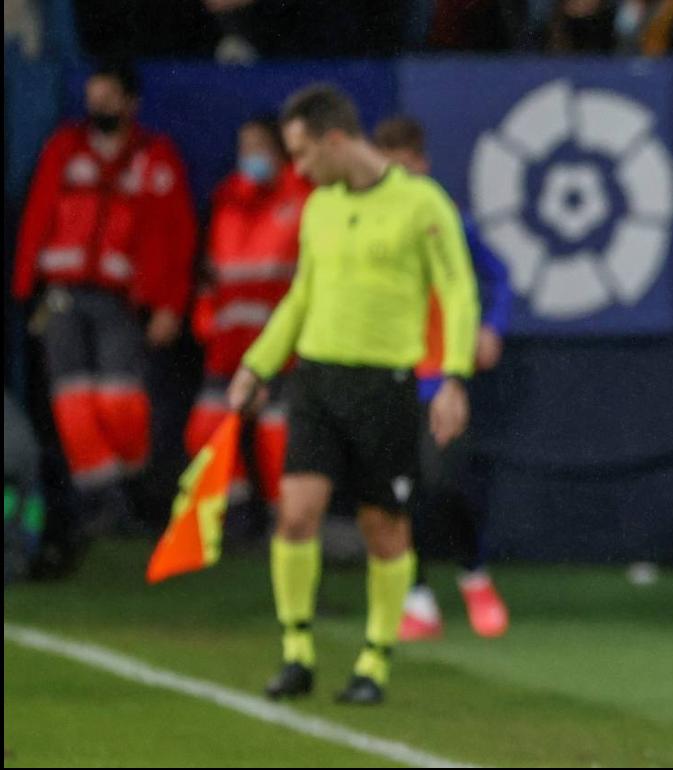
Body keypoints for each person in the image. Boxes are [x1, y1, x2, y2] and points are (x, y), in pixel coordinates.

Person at [226, 84, 480, 705]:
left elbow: (458, 291)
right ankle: (297, 653)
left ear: (336, 140)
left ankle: (374, 662)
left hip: (384, 386)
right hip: (315, 379)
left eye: (305, 154)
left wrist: (453, 376)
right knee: (294, 515)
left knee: (383, 529)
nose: (299, 169)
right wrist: (256, 365)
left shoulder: (422, 205)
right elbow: (301, 297)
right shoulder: (318, 208)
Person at [13, 60, 197, 532]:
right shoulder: (64, 148)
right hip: (61, 294)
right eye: (93, 95)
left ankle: (135, 491)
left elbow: (176, 237)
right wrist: (23, 286)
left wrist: (170, 305)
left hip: (122, 300)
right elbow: (37, 216)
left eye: (109, 96)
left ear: (131, 102)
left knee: (122, 400)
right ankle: (103, 503)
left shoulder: (154, 156)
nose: (99, 105)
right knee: (71, 398)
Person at [373, 116, 512, 640]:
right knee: (391, 491)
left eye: (403, 164)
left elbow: (497, 276)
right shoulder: (372, 219)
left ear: (420, 163)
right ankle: (417, 599)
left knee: (443, 482)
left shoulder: (445, 218)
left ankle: (474, 575)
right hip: (387, 374)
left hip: (437, 374)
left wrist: (492, 328)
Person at [185, 116, 312, 527]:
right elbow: (210, 272)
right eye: (244, 146)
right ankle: (235, 513)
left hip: (283, 347)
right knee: (204, 430)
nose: (250, 154)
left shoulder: (304, 197)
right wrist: (206, 317)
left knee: (279, 437)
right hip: (228, 345)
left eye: (259, 144)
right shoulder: (227, 199)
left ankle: (286, 521)